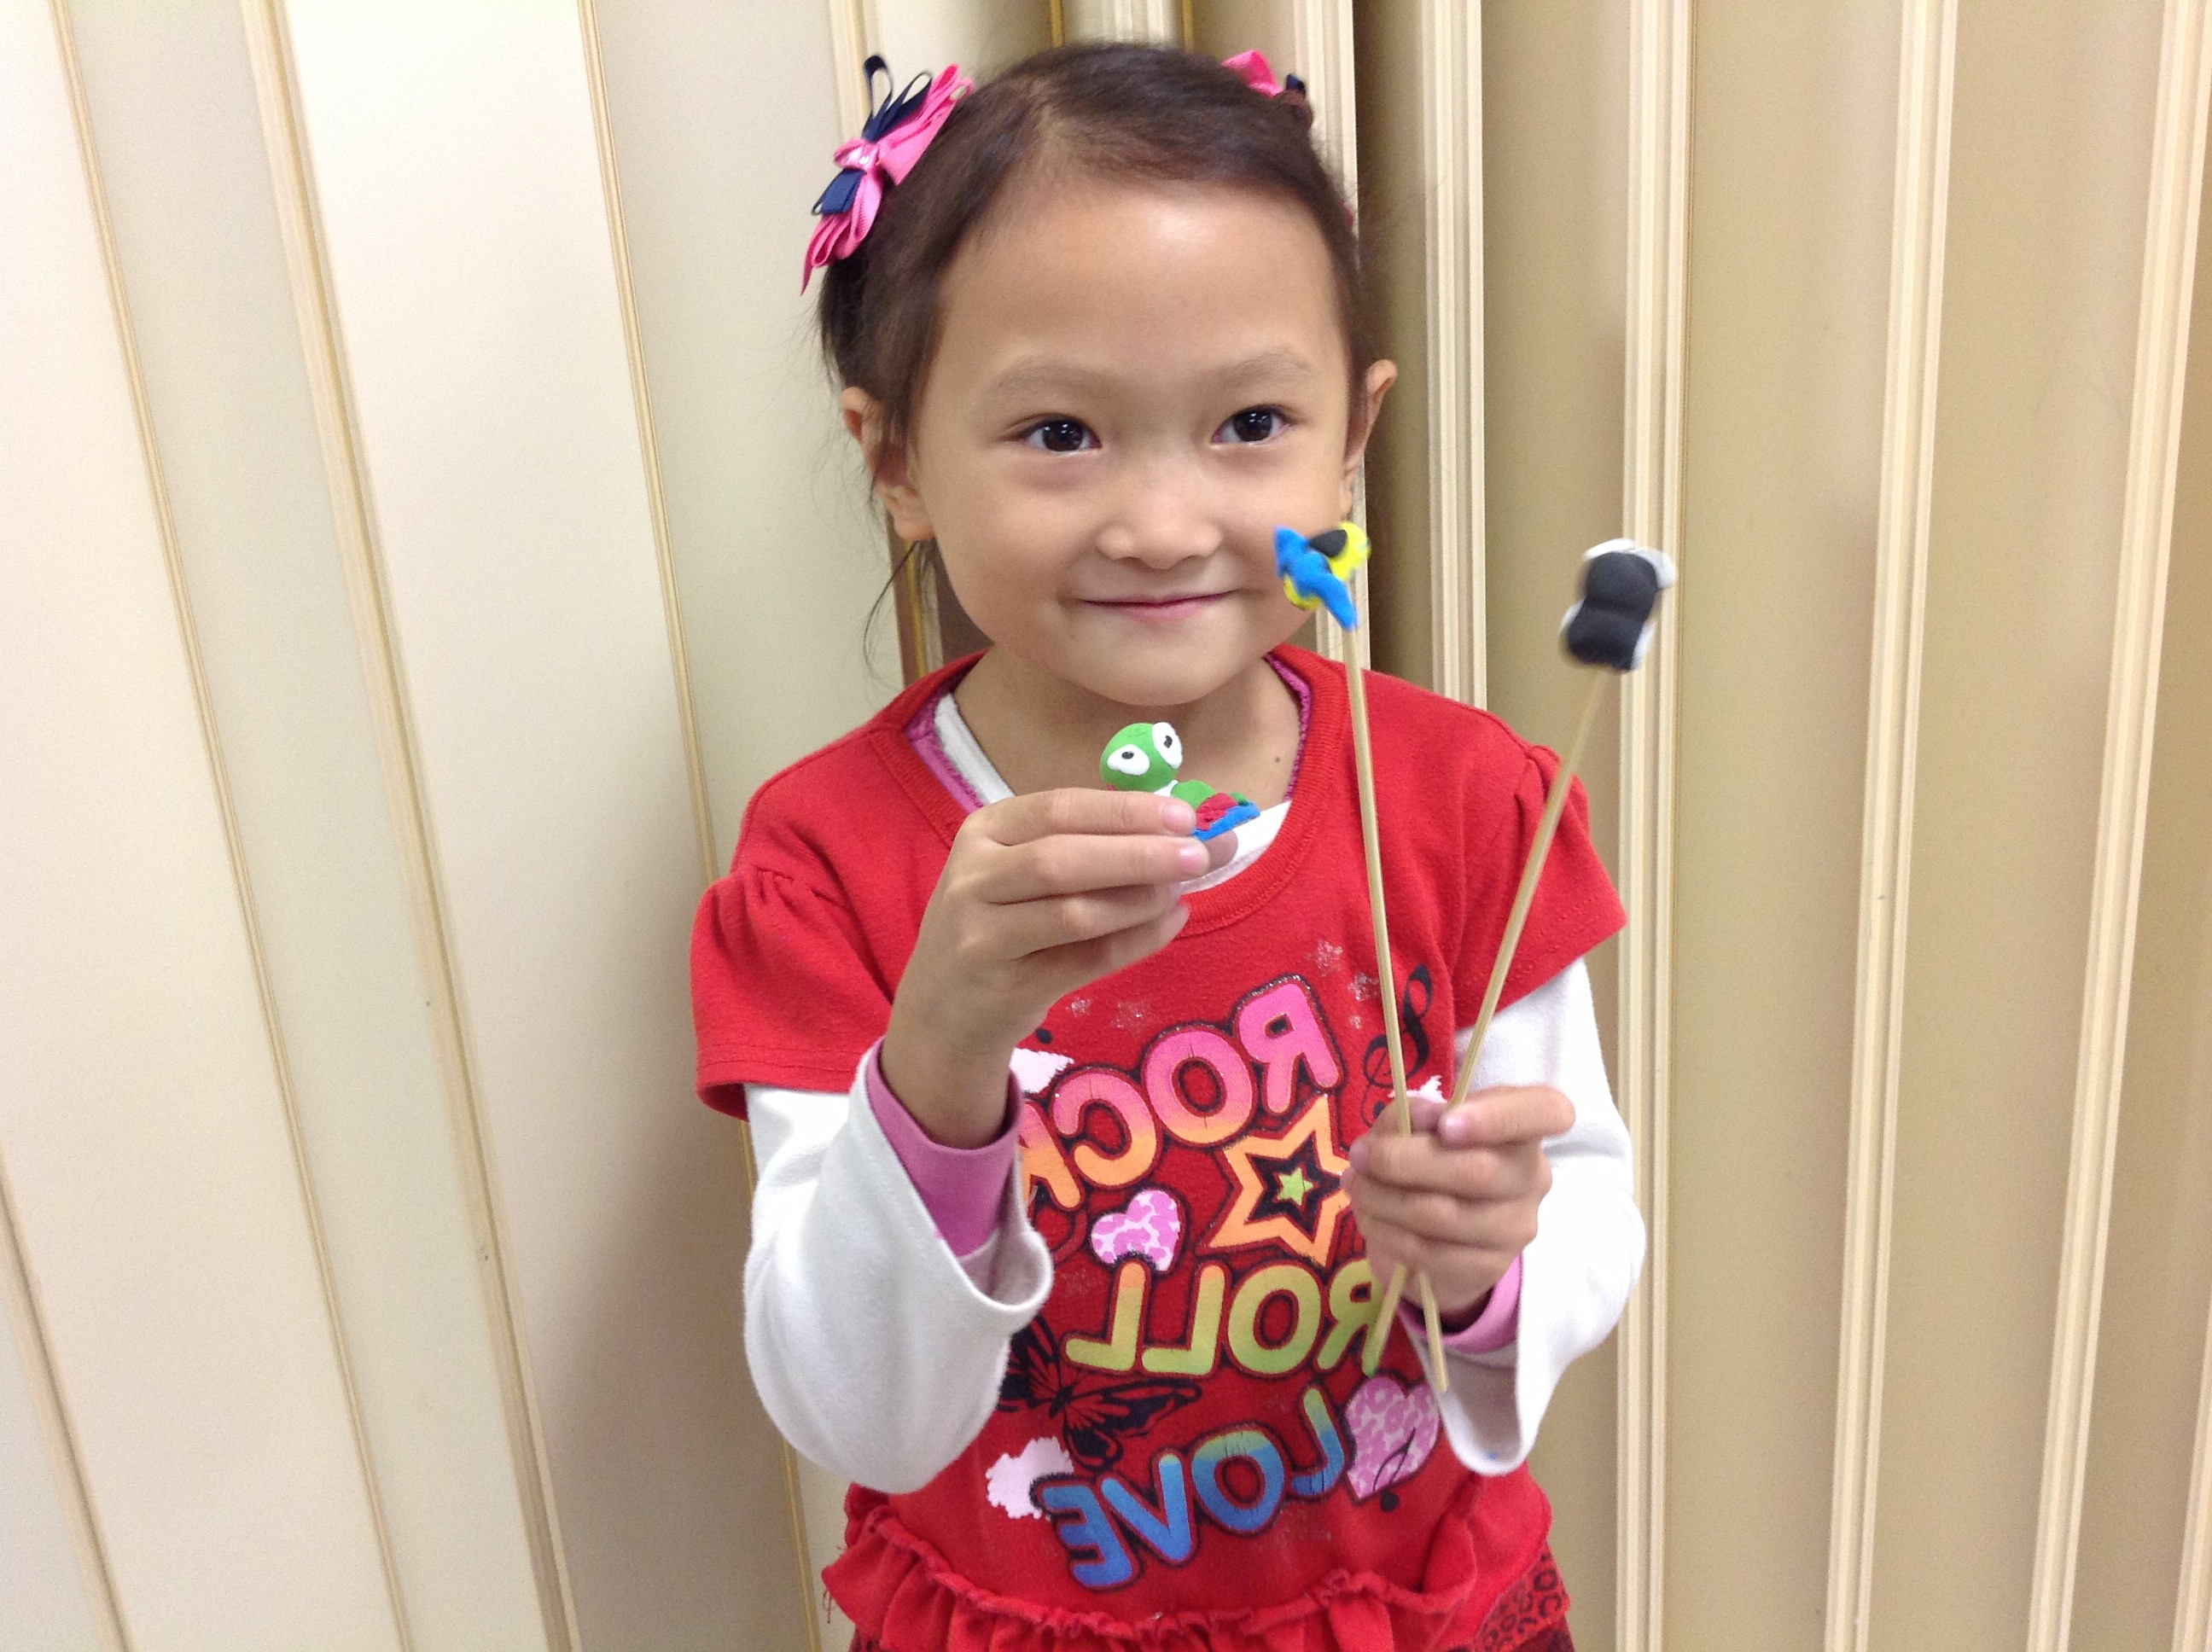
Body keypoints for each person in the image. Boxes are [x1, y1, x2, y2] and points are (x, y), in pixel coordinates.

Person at [691, 41, 1644, 1652]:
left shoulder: (1465, 803)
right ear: (897, 458)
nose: (1162, 525)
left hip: (1407, 1607)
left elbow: (1586, 1206)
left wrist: (1490, 1268)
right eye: (1060, 433)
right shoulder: (832, 863)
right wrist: (938, 1054)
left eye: (1251, 421)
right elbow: (856, 1415)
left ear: (1352, 438)